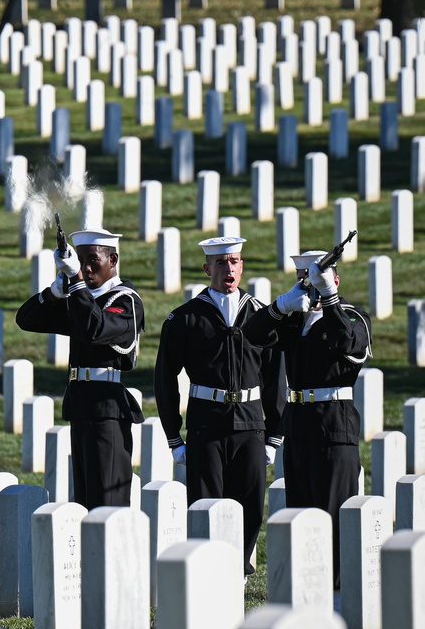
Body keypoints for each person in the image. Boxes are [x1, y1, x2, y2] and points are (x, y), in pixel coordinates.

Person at [154, 236, 285, 576]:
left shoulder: (261, 316)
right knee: (204, 504)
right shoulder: (185, 318)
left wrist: (274, 436)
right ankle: (207, 574)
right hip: (206, 427)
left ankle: (238, 572)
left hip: (250, 426)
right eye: (223, 262)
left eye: (236, 261)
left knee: (251, 507)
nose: (230, 268)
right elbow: (165, 378)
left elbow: (275, 379)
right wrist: (173, 437)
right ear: (207, 268)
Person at [242, 250, 371, 589]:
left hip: (334, 429)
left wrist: (330, 299)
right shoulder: (294, 321)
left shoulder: (354, 315)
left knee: (333, 521)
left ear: (334, 279)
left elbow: (349, 343)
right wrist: (278, 307)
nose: (308, 285)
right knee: (303, 520)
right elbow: (252, 336)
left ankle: (340, 597)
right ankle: (309, 596)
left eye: (314, 278)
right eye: (303, 278)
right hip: (298, 429)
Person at [16, 228, 145, 510]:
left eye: (93, 260)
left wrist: (75, 282)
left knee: (107, 503)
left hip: (108, 409)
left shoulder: (126, 300)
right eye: (81, 261)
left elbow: (95, 328)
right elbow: (26, 319)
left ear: (113, 260)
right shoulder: (81, 299)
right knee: (84, 503)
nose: (86, 268)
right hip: (81, 405)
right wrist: (53, 292)